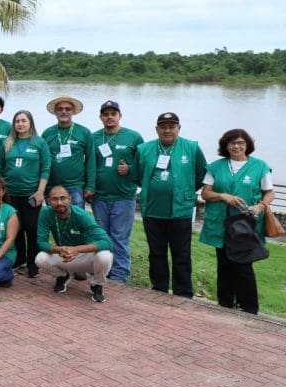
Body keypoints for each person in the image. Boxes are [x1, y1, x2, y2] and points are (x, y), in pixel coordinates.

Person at [199, 129, 275, 315]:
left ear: (247, 145)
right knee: (224, 265)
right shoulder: (215, 167)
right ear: (225, 146)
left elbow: (269, 192)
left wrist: (260, 206)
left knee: (243, 266)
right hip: (221, 224)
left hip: (245, 225)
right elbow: (205, 193)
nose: (236, 146)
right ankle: (225, 305)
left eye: (240, 142)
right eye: (232, 143)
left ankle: (249, 308)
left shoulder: (260, 166)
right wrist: (223, 196)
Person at [134, 112, 206, 298]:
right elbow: (137, 175)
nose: (167, 130)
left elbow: (201, 175)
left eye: (171, 126)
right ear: (156, 129)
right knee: (156, 253)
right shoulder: (144, 149)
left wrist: (187, 191)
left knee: (181, 254)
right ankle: (159, 289)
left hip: (180, 211)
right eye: (163, 126)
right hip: (152, 210)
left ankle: (183, 293)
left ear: (178, 128)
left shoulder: (191, 147)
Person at [91, 100, 143, 285]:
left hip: (124, 196)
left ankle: (119, 275)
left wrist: (130, 169)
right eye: (106, 114)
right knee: (101, 236)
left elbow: (142, 164)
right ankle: (102, 270)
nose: (109, 117)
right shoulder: (94, 138)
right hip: (99, 197)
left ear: (120, 115)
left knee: (119, 237)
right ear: (101, 117)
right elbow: (89, 165)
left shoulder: (133, 137)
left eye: (113, 113)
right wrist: (89, 188)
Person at [0, 110, 51, 278]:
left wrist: (41, 191)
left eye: (23, 120)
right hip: (11, 194)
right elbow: (1, 168)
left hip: (31, 194)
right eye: (17, 121)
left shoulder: (39, 142)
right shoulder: (7, 143)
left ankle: (33, 263)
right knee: (15, 228)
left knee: (31, 228)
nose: (20, 124)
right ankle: (19, 259)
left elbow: (46, 168)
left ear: (30, 123)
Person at [35, 185, 114, 303]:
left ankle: (97, 284)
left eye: (63, 198)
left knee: (105, 256)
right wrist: (58, 249)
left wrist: (76, 249)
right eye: (55, 199)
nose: (59, 202)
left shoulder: (81, 215)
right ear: (48, 201)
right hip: (64, 254)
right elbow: (41, 242)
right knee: (40, 258)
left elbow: (107, 242)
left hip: (84, 256)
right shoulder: (45, 213)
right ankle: (62, 276)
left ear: (70, 199)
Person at [41, 95, 95, 208]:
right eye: (60, 109)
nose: (63, 111)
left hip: (75, 186)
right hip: (52, 186)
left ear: (73, 111)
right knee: (53, 221)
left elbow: (91, 160)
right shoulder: (47, 133)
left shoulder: (84, 132)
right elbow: (42, 161)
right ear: (55, 112)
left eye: (67, 109)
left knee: (76, 221)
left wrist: (90, 186)